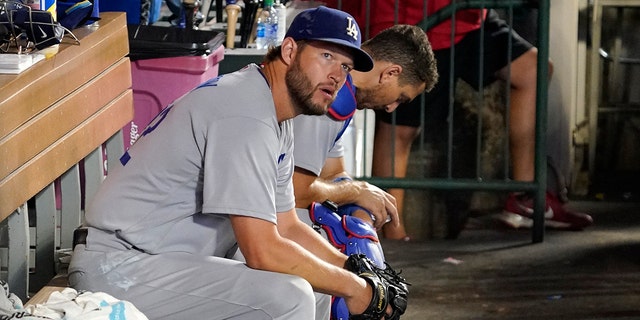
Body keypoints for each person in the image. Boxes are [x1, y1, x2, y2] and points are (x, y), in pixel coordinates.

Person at [67, 6, 395, 320]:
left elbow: (287, 226)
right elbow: (262, 250)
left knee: (316, 282)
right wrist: (357, 289)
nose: (337, 76)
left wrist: (355, 269)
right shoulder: (246, 112)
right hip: (120, 265)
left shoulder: (273, 110)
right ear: (291, 51)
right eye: (327, 56)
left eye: (346, 67)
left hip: (159, 260)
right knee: (289, 296)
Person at [327, 0, 593, 239]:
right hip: (415, 18)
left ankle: (524, 199)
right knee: (399, 126)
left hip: (468, 16)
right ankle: (393, 232)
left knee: (534, 69)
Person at [292, 24, 437, 231]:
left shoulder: (344, 96)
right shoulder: (326, 94)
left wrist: (362, 211)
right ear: (390, 73)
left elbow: (333, 173)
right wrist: (356, 193)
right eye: (400, 98)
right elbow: (295, 191)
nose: (390, 108)